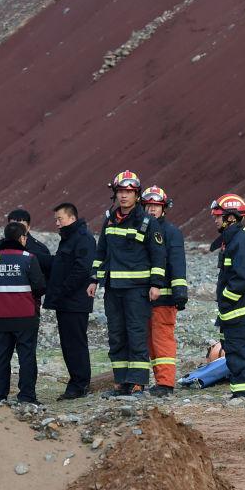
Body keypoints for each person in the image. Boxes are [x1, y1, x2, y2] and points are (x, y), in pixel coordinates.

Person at [88, 170, 167, 396]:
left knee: (136, 334)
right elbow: (100, 251)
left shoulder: (147, 222)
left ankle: (138, 383)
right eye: (121, 191)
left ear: (136, 195)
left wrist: (156, 284)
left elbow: (158, 255)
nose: (124, 196)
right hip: (113, 289)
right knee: (116, 336)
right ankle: (121, 383)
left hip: (137, 290)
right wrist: (94, 277)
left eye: (128, 192)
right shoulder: (110, 219)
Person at [210, 193, 245, 402]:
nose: (215, 220)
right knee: (234, 349)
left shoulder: (239, 241)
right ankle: (240, 391)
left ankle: (244, 394)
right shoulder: (238, 238)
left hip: (240, 309)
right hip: (238, 309)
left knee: (239, 350)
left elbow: (242, 277)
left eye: (218, 216)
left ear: (230, 218)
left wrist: (225, 298)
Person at [44, 203, 96, 400]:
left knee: (75, 344)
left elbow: (82, 269)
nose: (57, 223)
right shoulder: (69, 238)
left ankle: (80, 385)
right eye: (56, 220)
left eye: (60, 219)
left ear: (72, 218)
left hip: (74, 302)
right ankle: (77, 382)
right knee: (68, 344)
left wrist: (62, 291)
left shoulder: (82, 238)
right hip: (66, 302)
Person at [0, 223, 46, 405]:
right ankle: (27, 396)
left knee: (0, 357)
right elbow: (39, 287)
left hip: (0, 316)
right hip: (26, 316)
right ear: (22, 238)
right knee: (27, 357)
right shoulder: (29, 258)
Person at [140, 186, 187, 397]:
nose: (151, 210)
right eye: (148, 205)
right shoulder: (141, 229)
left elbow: (177, 263)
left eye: (156, 206)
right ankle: (158, 381)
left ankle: (166, 383)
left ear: (163, 208)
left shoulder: (171, 232)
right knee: (149, 340)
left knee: (162, 340)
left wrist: (179, 292)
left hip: (165, 297)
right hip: (144, 296)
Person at [6, 209, 52, 277]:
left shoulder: (40, 249)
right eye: (13, 226)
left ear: (28, 228)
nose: (17, 230)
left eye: (21, 226)